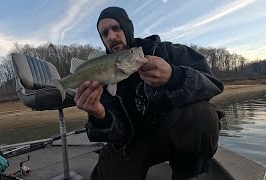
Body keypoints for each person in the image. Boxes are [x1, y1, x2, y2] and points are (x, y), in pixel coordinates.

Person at [74, 6, 224, 180]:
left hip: (170, 134)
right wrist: (99, 117)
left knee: (201, 115)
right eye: (104, 33)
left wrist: (174, 76)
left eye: (116, 28)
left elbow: (212, 85)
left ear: (128, 28)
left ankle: (186, 175)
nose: (112, 37)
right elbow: (114, 134)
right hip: (130, 145)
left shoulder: (164, 51)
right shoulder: (102, 75)